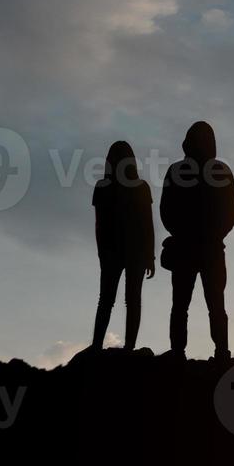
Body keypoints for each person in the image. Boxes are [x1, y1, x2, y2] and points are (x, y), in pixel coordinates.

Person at [160, 121, 234, 360]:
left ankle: (179, 352)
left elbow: (166, 211)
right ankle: (221, 353)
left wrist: (183, 234)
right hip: (210, 248)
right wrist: (215, 234)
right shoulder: (221, 171)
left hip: (191, 248)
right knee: (214, 305)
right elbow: (233, 211)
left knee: (183, 305)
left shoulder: (177, 170)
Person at [91, 141, 155, 350]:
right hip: (124, 252)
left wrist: (150, 255)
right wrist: (149, 255)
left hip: (120, 252)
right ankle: (121, 348)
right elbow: (147, 224)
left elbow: (100, 225)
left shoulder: (104, 187)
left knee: (111, 300)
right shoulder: (137, 188)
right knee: (126, 300)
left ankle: (101, 346)